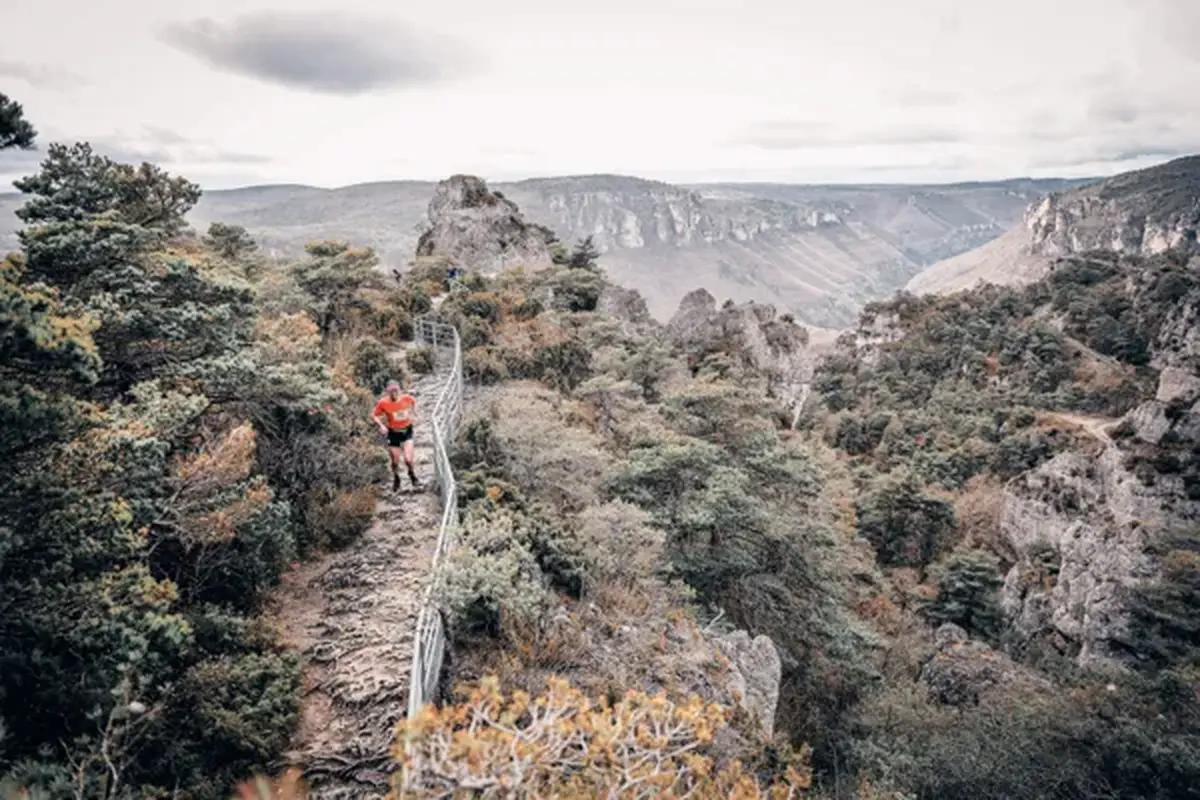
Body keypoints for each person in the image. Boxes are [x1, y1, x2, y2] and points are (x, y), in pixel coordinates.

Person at [370, 379, 419, 491]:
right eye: (391, 391)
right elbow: (374, 415)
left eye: (396, 390)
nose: (394, 393)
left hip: (407, 431)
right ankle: (396, 478)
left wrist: (414, 413)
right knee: (395, 461)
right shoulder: (383, 403)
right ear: (387, 391)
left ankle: (412, 475)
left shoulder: (406, 398)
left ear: (399, 390)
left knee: (408, 459)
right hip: (393, 433)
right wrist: (381, 425)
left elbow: (413, 401)